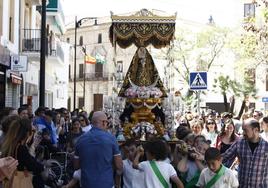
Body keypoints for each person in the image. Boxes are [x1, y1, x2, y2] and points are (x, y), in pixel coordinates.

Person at [74, 111, 123, 188]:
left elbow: (76, 166)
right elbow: (119, 166)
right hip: (106, 184)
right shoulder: (111, 139)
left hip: (86, 184)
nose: (107, 125)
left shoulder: (80, 140)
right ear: (103, 122)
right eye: (107, 122)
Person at [222, 118, 268, 187]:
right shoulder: (239, 143)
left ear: (255, 130)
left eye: (245, 130)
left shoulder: (266, 146)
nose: (243, 133)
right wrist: (206, 157)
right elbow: (224, 157)